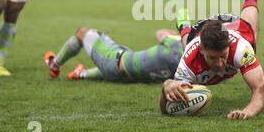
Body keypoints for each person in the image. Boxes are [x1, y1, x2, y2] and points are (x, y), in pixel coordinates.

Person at [160, 0, 264, 120]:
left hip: (233, 26)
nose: (219, 64)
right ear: (201, 50)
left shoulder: (240, 49)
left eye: (223, 56)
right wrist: (166, 86)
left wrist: (247, 112)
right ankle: (184, 25)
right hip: (198, 33)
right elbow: (166, 108)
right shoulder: (190, 57)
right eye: (213, 57)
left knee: (252, 32)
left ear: (229, 47)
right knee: (187, 44)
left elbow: (262, 89)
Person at [43, 28, 183, 83]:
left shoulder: (177, 45)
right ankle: (80, 74)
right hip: (129, 78)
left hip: (114, 65)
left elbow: (160, 33)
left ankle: (54, 65)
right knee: (128, 57)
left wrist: (179, 35)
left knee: (83, 33)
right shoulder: (193, 68)